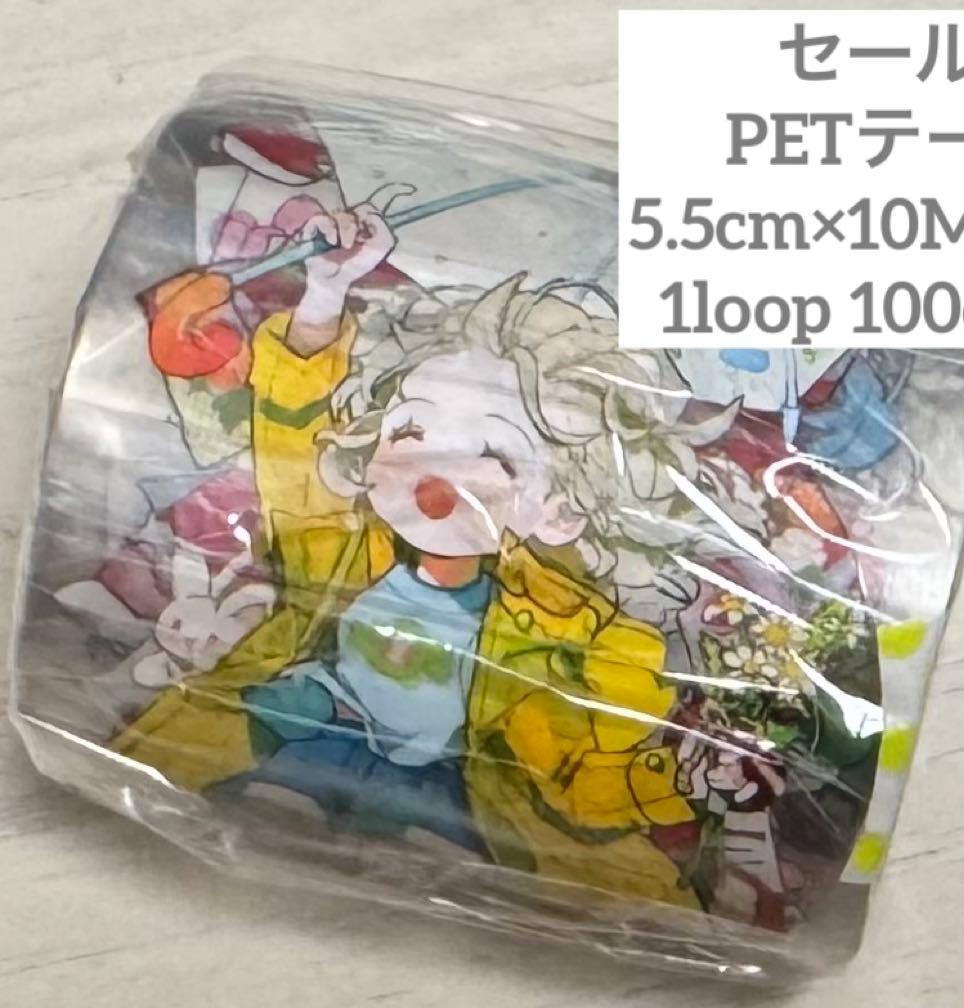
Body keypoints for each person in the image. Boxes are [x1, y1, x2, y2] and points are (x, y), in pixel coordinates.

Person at [114, 202, 757, 912]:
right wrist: (324, 294)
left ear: (559, 509)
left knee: (424, 832)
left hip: (447, 789)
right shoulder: (345, 547)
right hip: (308, 728)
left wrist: (672, 774)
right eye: (411, 432)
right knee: (273, 772)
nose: (434, 477)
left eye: (494, 457)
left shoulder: (574, 632)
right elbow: (293, 445)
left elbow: (591, 761)